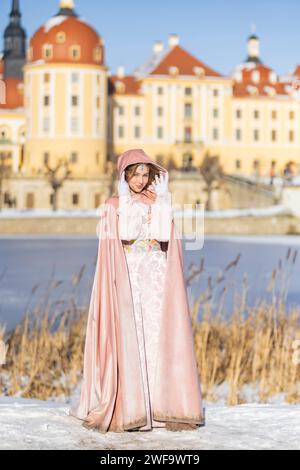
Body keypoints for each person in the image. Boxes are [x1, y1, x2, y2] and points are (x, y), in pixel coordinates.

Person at [69, 148, 204, 433]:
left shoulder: (157, 200)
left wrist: (164, 199)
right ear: (124, 175)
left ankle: (161, 404)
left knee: (156, 335)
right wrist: (126, 200)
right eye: (135, 174)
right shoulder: (114, 204)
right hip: (129, 271)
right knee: (133, 334)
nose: (141, 180)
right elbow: (126, 234)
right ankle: (133, 406)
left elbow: (165, 236)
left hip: (155, 273)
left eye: (145, 174)